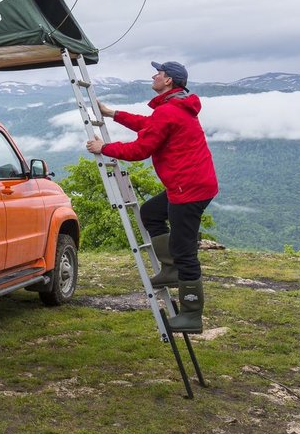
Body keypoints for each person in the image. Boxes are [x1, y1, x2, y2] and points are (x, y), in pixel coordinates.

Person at [85, 61, 218, 333]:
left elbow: (141, 149)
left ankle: (192, 314)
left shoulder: (170, 110)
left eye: (159, 73)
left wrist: (105, 147)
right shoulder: (175, 107)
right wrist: (113, 113)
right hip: (190, 184)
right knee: (151, 213)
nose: (154, 75)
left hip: (188, 189)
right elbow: (149, 125)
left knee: (185, 252)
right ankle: (169, 270)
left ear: (168, 81)